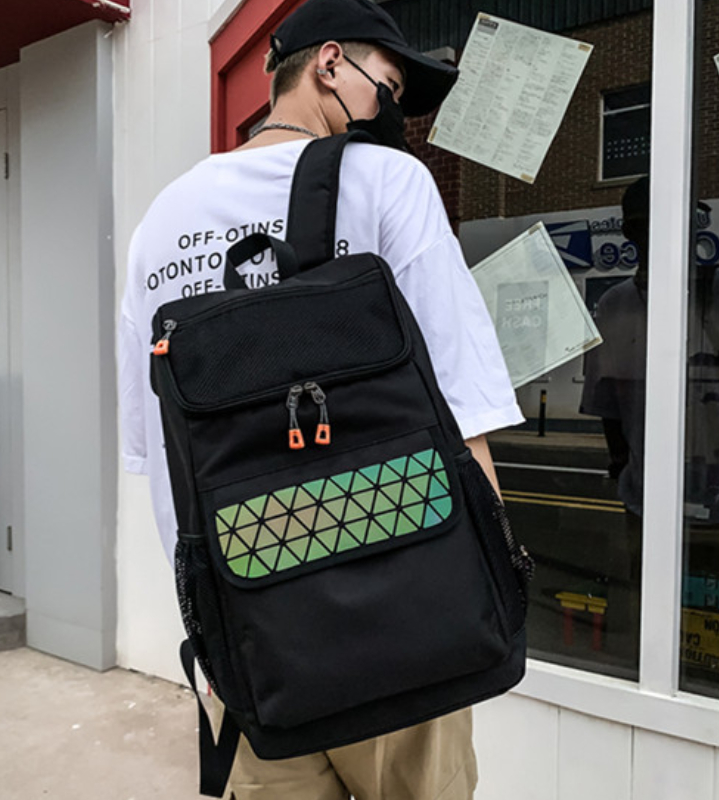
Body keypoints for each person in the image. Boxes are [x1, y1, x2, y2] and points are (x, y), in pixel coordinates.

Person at [119, 0, 523, 797]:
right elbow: (465, 404)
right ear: (330, 63)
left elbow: (160, 457)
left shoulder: (158, 223)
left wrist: (210, 633)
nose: (392, 112)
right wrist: (497, 588)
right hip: (401, 621)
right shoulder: (389, 182)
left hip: (248, 642)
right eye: (389, 88)